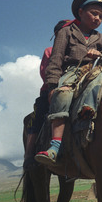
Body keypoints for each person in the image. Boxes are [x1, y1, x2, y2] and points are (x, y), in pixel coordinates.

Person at [35, 0, 102, 166]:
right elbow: (55, 59)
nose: (97, 18)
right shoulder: (66, 32)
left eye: (101, 16)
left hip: (97, 71)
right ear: (80, 12)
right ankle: (55, 147)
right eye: (94, 13)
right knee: (63, 94)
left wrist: (100, 55)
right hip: (72, 72)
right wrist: (52, 87)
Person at [23, 20, 74, 171]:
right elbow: (45, 72)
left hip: (74, 86)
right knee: (38, 116)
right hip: (50, 90)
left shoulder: (76, 51)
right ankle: (29, 156)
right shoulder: (50, 51)